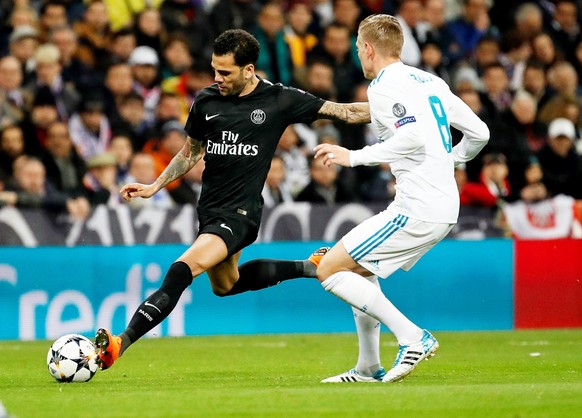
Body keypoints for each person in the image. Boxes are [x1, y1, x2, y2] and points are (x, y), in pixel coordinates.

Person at [94, 28, 371, 370]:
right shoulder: (207, 101)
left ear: (249, 70)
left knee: (182, 269)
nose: (217, 78)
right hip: (210, 208)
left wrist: (404, 113)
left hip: (242, 213)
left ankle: (121, 343)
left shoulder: (278, 99)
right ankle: (309, 266)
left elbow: (344, 112)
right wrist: (155, 185)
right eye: (215, 69)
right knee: (226, 285)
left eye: (225, 72)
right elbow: (190, 152)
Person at [312, 14, 489, 383]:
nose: (358, 54)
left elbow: (412, 138)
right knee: (356, 268)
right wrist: (451, 159)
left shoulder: (382, 86)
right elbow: (480, 132)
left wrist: (352, 156)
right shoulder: (430, 81)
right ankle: (367, 366)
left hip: (417, 208)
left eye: (358, 48)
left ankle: (412, 337)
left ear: (368, 48)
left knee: (329, 269)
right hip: (441, 206)